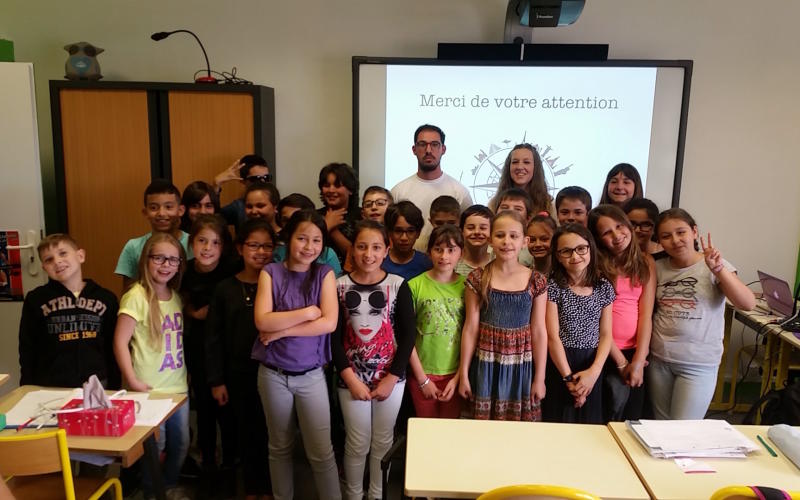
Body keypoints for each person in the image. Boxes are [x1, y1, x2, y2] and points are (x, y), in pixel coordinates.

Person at [251, 209, 341, 499]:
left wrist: (282, 330)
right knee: (279, 447)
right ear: (288, 239)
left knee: (321, 451)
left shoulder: (324, 274)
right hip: (273, 375)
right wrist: (307, 313)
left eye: (316, 240)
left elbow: (329, 323)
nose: (309, 247)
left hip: (312, 375)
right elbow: (263, 321)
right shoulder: (271, 272)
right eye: (302, 238)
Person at [332, 220, 415, 500]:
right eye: (362, 246)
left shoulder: (398, 285)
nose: (369, 253)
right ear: (352, 250)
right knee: (356, 442)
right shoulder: (338, 285)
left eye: (376, 247)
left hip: (390, 379)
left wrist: (393, 377)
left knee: (383, 440)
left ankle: (377, 495)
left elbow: (408, 335)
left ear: (386, 250)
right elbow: (333, 337)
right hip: (351, 380)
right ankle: (354, 495)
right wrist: (349, 378)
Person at [649, 208, 755, 420]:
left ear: (694, 231)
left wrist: (718, 270)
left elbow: (747, 303)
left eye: (681, 232)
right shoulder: (658, 267)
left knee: (684, 431)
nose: (675, 240)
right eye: (666, 236)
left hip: (698, 365)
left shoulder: (715, 265)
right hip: (659, 360)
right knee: (659, 429)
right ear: (660, 241)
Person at [113, 233, 189, 498]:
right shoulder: (136, 296)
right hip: (149, 390)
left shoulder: (176, 296)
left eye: (173, 259)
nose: (166, 264)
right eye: (159, 258)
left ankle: (165, 488)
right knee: (157, 447)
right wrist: (132, 381)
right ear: (146, 260)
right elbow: (120, 342)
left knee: (181, 445)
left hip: (178, 389)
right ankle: (149, 491)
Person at [206, 218, 276, 499]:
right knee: (244, 434)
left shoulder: (277, 283)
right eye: (254, 245)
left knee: (273, 434)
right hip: (237, 374)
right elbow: (213, 339)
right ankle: (250, 489)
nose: (261, 252)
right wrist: (216, 381)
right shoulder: (225, 289)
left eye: (268, 246)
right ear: (239, 248)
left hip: (273, 373)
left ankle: (271, 489)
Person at [458, 210, 547, 421]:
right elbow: (470, 328)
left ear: (524, 241)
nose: (506, 241)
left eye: (513, 236)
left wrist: (540, 377)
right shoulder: (478, 278)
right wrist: (463, 372)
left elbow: (539, 331)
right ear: (490, 240)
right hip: (486, 366)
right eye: (500, 235)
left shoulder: (536, 280)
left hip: (521, 367)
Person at [180, 215, 239, 483]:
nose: (207, 248)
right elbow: (179, 304)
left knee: (228, 411)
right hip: (196, 347)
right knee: (203, 408)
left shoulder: (231, 269)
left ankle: (230, 462)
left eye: (215, 243)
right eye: (202, 241)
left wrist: (212, 313)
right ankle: (207, 462)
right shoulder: (185, 271)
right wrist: (192, 312)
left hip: (226, 347)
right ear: (191, 243)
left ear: (223, 247)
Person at [19, 234, 119, 388]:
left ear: (80, 256)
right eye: (48, 259)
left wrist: (115, 384)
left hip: (97, 384)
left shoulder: (106, 298)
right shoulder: (36, 299)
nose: (57, 261)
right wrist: (27, 387)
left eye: (63, 253)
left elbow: (113, 345)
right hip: (50, 386)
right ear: (44, 268)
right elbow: (27, 347)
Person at [588, 205, 655, 421]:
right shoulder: (595, 266)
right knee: (605, 416)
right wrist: (621, 362)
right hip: (602, 351)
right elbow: (594, 318)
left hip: (634, 354)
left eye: (619, 226)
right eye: (607, 232)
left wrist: (638, 359)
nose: (617, 236)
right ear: (598, 239)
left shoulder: (646, 263)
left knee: (631, 418)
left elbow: (646, 314)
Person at [544, 224, 615, 424]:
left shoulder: (603, 287)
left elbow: (606, 334)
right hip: (561, 362)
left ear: (590, 249)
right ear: (557, 256)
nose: (575, 256)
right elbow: (552, 336)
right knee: (558, 422)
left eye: (581, 249)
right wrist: (568, 379)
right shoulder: (553, 286)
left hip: (593, 362)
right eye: (566, 251)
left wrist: (594, 372)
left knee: (590, 424)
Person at [407, 224, 466, 418]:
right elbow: (406, 335)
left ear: (461, 253)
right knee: (426, 428)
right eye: (438, 249)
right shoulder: (414, 286)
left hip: (454, 375)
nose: (444, 256)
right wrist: (422, 379)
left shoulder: (468, 286)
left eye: (451, 250)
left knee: (449, 431)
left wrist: (458, 378)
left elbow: (471, 333)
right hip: (422, 373)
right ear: (429, 252)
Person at [391, 124, 473, 251]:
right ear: (414, 149)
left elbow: (468, 234)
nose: (428, 150)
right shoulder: (398, 192)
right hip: (408, 265)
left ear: (443, 149)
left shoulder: (460, 192)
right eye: (422, 144)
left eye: (434, 144)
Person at [115, 179, 192, 290]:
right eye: (153, 208)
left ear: (180, 210)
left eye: (168, 207)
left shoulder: (194, 244)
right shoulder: (133, 247)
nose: (161, 213)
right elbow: (128, 292)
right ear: (145, 212)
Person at [273, 193, 342, 277]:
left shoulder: (327, 256)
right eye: (286, 220)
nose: (291, 225)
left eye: (298, 219)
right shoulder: (277, 254)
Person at [488, 143, 552, 216]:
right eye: (515, 162)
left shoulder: (548, 204)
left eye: (526, 162)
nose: (520, 167)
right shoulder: (494, 203)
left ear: (535, 168)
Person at [318, 162, 361, 266]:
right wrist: (326, 225)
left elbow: (358, 256)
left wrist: (333, 231)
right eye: (327, 185)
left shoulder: (362, 217)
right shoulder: (314, 216)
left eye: (337, 186)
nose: (331, 190)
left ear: (350, 190)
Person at [213, 154, 272, 228]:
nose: (263, 182)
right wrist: (216, 185)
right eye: (256, 179)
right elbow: (213, 220)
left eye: (266, 178)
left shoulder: (276, 203)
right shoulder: (239, 206)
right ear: (243, 181)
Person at [382, 201, 432, 281]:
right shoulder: (380, 261)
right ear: (389, 232)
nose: (404, 238)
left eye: (410, 231)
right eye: (398, 231)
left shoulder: (427, 263)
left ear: (418, 233)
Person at [495, 188, 534, 266]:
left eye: (518, 209)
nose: (510, 212)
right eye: (504, 208)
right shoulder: (489, 245)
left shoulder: (532, 248)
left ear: (528, 219)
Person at [455, 205, 493, 278]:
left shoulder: (498, 260)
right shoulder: (453, 262)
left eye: (483, 228)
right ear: (461, 231)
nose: (477, 232)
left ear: (491, 231)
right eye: (470, 228)